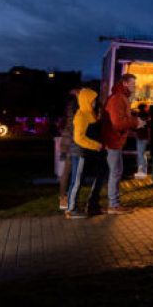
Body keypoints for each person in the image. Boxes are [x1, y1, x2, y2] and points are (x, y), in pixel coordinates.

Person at [102, 74, 147, 214]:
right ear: (125, 83)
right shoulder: (117, 98)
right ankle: (113, 205)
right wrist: (135, 122)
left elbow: (122, 120)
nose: (135, 85)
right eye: (133, 82)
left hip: (115, 141)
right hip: (112, 141)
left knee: (116, 172)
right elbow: (117, 123)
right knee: (115, 172)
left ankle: (113, 204)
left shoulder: (122, 97)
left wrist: (134, 125)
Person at [66, 88, 108, 218]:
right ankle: (72, 209)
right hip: (81, 152)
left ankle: (89, 205)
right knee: (77, 180)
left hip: (88, 152)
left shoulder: (89, 114)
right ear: (86, 101)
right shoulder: (81, 116)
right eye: (92, 100)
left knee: (96, 174)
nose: (95, 102)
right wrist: (96, 145)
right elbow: (79, 138)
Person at [57, 91, 79, 210]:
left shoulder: (70, 105)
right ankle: (63, 198)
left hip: (67, 141)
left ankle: (64, 197)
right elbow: (72, 125)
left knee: (68, 171)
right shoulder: (73, 105)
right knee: (67, 171)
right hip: (70, 142)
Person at [132, 103, 150, 179]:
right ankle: (142, 171)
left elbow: (137, 126)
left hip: (141, 137)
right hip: (144, 136)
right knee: (142, 154)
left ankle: (142, 172)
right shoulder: (146, 115)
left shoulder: (140, 115)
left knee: (140, 154)